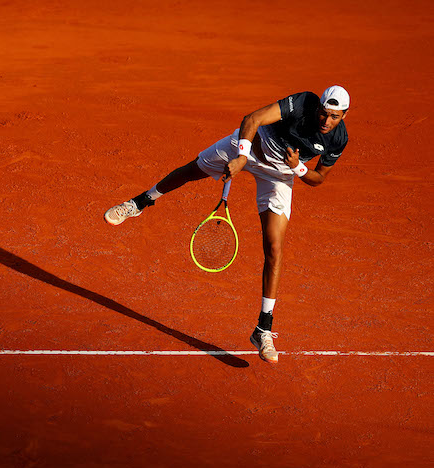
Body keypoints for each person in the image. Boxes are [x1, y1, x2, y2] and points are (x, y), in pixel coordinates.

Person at [104, 86, 350, 363]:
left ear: (343, 116)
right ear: (317, 107)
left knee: (274, 248)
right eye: (323, 113)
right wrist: (243, 155)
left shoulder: (338, 139)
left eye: (335, 117)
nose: (326, 121)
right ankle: (140, 202)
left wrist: (299, 167)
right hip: (247, 151)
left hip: (279, 176)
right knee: (191, 170)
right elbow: (252, 119)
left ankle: (263, 328)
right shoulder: (303, 102)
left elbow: (319, 178)